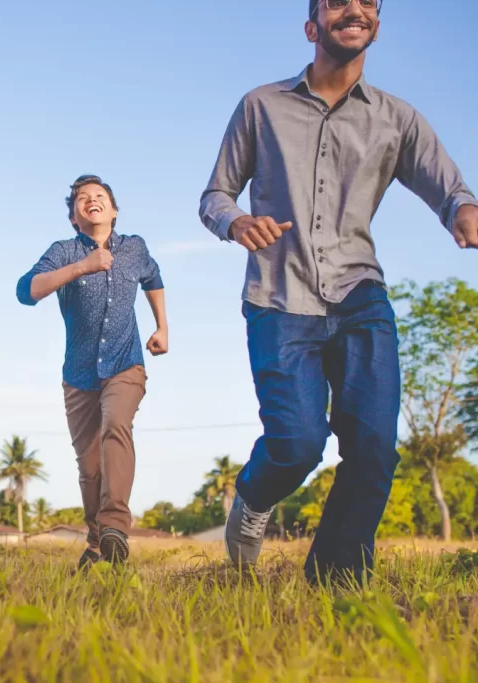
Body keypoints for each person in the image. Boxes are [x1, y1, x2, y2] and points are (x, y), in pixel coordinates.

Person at [200, 0, 478, 584]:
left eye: (367, 1)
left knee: (375, 448)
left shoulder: (396, 118)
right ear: (312, 26)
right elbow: (215, 196)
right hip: (279, 296)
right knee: (298, 442)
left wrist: (463, 211)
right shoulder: (261, 106)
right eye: (336, 1)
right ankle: (252, 499)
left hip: (359, 294)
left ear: (375, 22)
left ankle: (336, 581)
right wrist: (237, 222)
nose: (354, 7)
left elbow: (449, 186)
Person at [17, 175, 168, 569]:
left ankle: (115, 525)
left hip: (126, 363)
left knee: (117, 424)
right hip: (79, 373)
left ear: (113, 210)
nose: (91, 201)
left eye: (99, 196)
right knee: (89, 466)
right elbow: (26, 291)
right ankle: (98, 544)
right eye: (82, 199)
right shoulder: (64, 251)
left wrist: (162, 326)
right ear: (74, 217)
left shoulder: (135, 248)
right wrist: (81, 267)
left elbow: (153, 277)